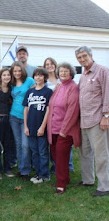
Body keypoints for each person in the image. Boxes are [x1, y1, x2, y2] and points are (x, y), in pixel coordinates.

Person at [75, 46, 109, 197]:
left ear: (91, 55)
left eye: (84, 56)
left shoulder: (103, 71)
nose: (82, 59)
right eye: (79, 58)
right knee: (85, 153)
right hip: (84, 120)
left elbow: (107, 94)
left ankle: (104, 186)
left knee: (101, 154)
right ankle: (87, 180)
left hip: (97, 120)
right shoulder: (83, 76)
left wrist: (106, 116)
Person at [47, 62, 81, 194]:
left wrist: (64, 130)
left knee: (61, 157)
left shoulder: (73, 87)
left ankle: (61, 185)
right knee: (56, 155)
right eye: (61, 71)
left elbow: (73, 110)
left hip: (65, 131)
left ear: (71, 73)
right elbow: (52, 106)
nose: (63, 73)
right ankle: (65, 178)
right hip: (53, 128)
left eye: (66, 71)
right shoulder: (59, 86)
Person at [43, 57, 74, 173]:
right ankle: (55, 165)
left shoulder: (61, 80)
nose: (49, 66)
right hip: (50, 114)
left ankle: (69, 165)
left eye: (51, 64)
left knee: (64, 141)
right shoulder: (45, 82)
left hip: (63, 114)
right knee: (53, 141)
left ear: (55, 66)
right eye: (47, 64)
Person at [23, 68, 53, 184]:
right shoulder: (30, 92)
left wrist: (42, 126)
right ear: (34, 77)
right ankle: (38, 173)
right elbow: (26, 109)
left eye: (41, 76)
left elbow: (48, 110)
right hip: (31, 126)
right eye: (36, 75)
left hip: (42, 128)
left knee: (43, 152)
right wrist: (25, 126)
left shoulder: (48, 92)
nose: (38, 78)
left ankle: (45, 175)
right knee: (34, 152)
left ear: (45, 78)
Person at [9, 61, 35, 180]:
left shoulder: (29, 81)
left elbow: (38, 91)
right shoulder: (11, 83)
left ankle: (26, 169)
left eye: (19, 70)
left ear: (23, 71)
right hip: (13, 116)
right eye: (15, 71)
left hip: (26, 117)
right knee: (18, 144)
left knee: (25, 145)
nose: (17, 73)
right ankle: (22, 169)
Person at [0, 68, 14, 180]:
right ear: (0, 76)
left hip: (9, 120)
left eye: (8, 75)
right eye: (4, 75)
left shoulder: (11, 89)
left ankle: (8, 168)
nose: (6, 77)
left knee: (8, 145)